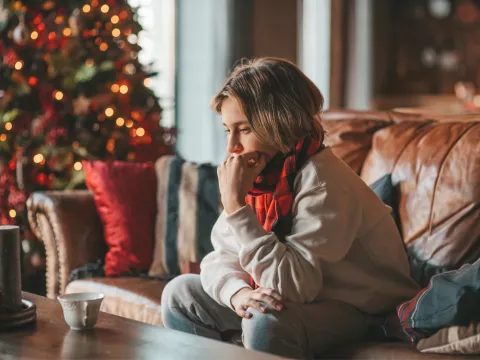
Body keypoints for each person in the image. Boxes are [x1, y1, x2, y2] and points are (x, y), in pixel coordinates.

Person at [161, 57, 419, 359]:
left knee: (266, 322)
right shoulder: (261, 177)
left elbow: (294, 287)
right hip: (303, 300)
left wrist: (235, 207)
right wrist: (239, 294)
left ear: (278, 122)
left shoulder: (323, 182)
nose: (231, 146)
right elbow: (221, 256)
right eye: (227, 130)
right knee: (180, 294)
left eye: (243, 130)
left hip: (362, 309)